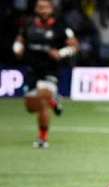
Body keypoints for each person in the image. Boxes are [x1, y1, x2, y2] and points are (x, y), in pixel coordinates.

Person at [13, 0, 78, 148]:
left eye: (46, 8)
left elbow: (74, 45)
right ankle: (53, 101)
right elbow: (20, 39)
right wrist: (17, 48)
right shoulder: (28, 25)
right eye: (40, 7)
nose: (43, 10)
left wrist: (61, 53)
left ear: (51, 9)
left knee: (42, 99)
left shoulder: (61, 26)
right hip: (32, 70)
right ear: (36, 9)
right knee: (30, 107)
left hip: (50, 70)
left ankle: (42, 138)